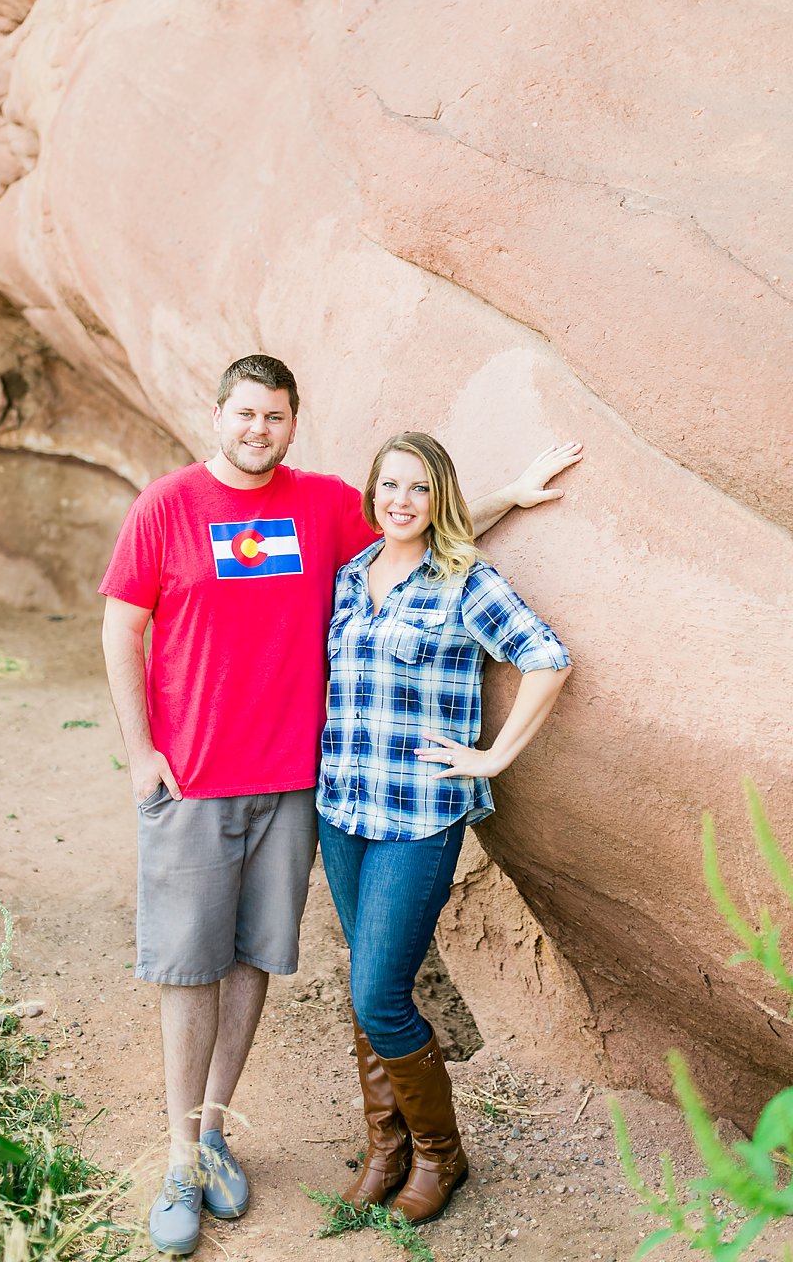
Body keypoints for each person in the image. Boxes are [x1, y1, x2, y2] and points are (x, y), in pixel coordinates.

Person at [97, 353, 578, 1257]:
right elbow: (122, 622)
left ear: (291, 422)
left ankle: (228, 1135)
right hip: (211, 781)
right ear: (218, 415)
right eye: (245, 414)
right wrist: (140, 753)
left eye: (274, 416)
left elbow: (425, 526)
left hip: (297, 787)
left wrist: (511, 490)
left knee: (253, 964)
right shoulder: (170, 505)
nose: (258, 429)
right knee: (191, 968)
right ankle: (180, 1160)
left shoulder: (320, 507)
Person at [318, 432, 569, 1223]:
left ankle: (439, 1154)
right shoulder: (350, 576)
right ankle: (387, 1146)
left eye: (419, 489)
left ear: (440, 499)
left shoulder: (467, 580)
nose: (401, 501)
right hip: (341, 810)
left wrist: (494, 757)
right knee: (368, 993)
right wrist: (511, 494)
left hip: (418, 816)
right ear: (373, 493)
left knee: (379, 992)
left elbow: (548, 657)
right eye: (389, 486)